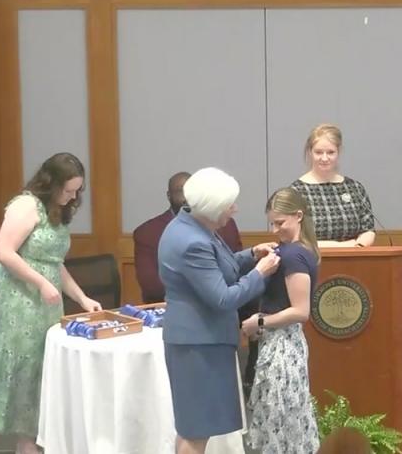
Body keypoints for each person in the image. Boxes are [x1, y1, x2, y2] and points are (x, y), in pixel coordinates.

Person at [0, 152, 103, 454]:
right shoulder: (25, 206)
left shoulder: (56, 210)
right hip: (18, 296)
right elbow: (4, 252)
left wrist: (81, 297)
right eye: (68, 190)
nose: (73, 196)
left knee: (44, 365)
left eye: (77, 190)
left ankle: (40, 438)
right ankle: (25, 443)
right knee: (24, 366)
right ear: (51, 184)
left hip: (47, 295)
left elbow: (54, 263)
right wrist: (39, 282)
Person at [158, 167, 280, 454]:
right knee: (195, 430)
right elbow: (223, 298)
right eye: (229, 205)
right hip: (198, 345)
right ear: (212, 207)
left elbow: (220, 267)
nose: (234, 209)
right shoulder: (193, 242)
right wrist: (260, 274)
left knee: (196, 427)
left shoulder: (194, 225)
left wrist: (251, 256)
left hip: (203, 341)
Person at [241, 187, 321, 453]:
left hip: (284, 346)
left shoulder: (293, 255)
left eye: (280, 223)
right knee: (285, 419)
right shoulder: (294, 250)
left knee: (282, 419)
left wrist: (258, 322)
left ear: (298, 216)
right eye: (272, 223)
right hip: (282, 344)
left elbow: (300, 311)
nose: (275, 229)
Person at [133, 171, 243, 303]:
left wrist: (252, 254)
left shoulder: (226, 223)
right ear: (169, 196)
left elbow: (233, 264)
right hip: (183, 308)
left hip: (232, 306)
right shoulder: (148, 232)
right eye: (180, 191)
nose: (186, 198)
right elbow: (153, 289)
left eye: (191, 193)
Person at [291, 124, 376, 247]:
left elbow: (368, 230)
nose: (324, 158)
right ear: (310, 152)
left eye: (330, 152)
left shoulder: (355, 188)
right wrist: (345, 246)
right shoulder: (295, 192)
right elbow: (296, 239)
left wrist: (358, 247)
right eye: (319, 152)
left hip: (354, 261)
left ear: (339, 151)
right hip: (311, 262)